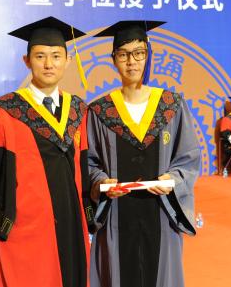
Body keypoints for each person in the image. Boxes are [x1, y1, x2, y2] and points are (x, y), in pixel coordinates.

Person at [0, 16, 92, 287]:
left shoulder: (78, 110)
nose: (49, 64)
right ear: (27, 61)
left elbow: (85, 165)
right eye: (40, 56)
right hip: (25, 223)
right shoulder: (5, 110)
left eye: (56, 56)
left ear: (67, 61)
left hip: (71, 219)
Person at [86, 20, 200, 287]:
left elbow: (188, 157)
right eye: (123, 54)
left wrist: (173, 180)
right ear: (113, 59)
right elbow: (89, 162)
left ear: (148, 56)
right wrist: (101, 182)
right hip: (116, 215)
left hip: (160, 212)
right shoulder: (100, 111)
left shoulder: (171, 105)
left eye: (139, 53)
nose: (131, 62)